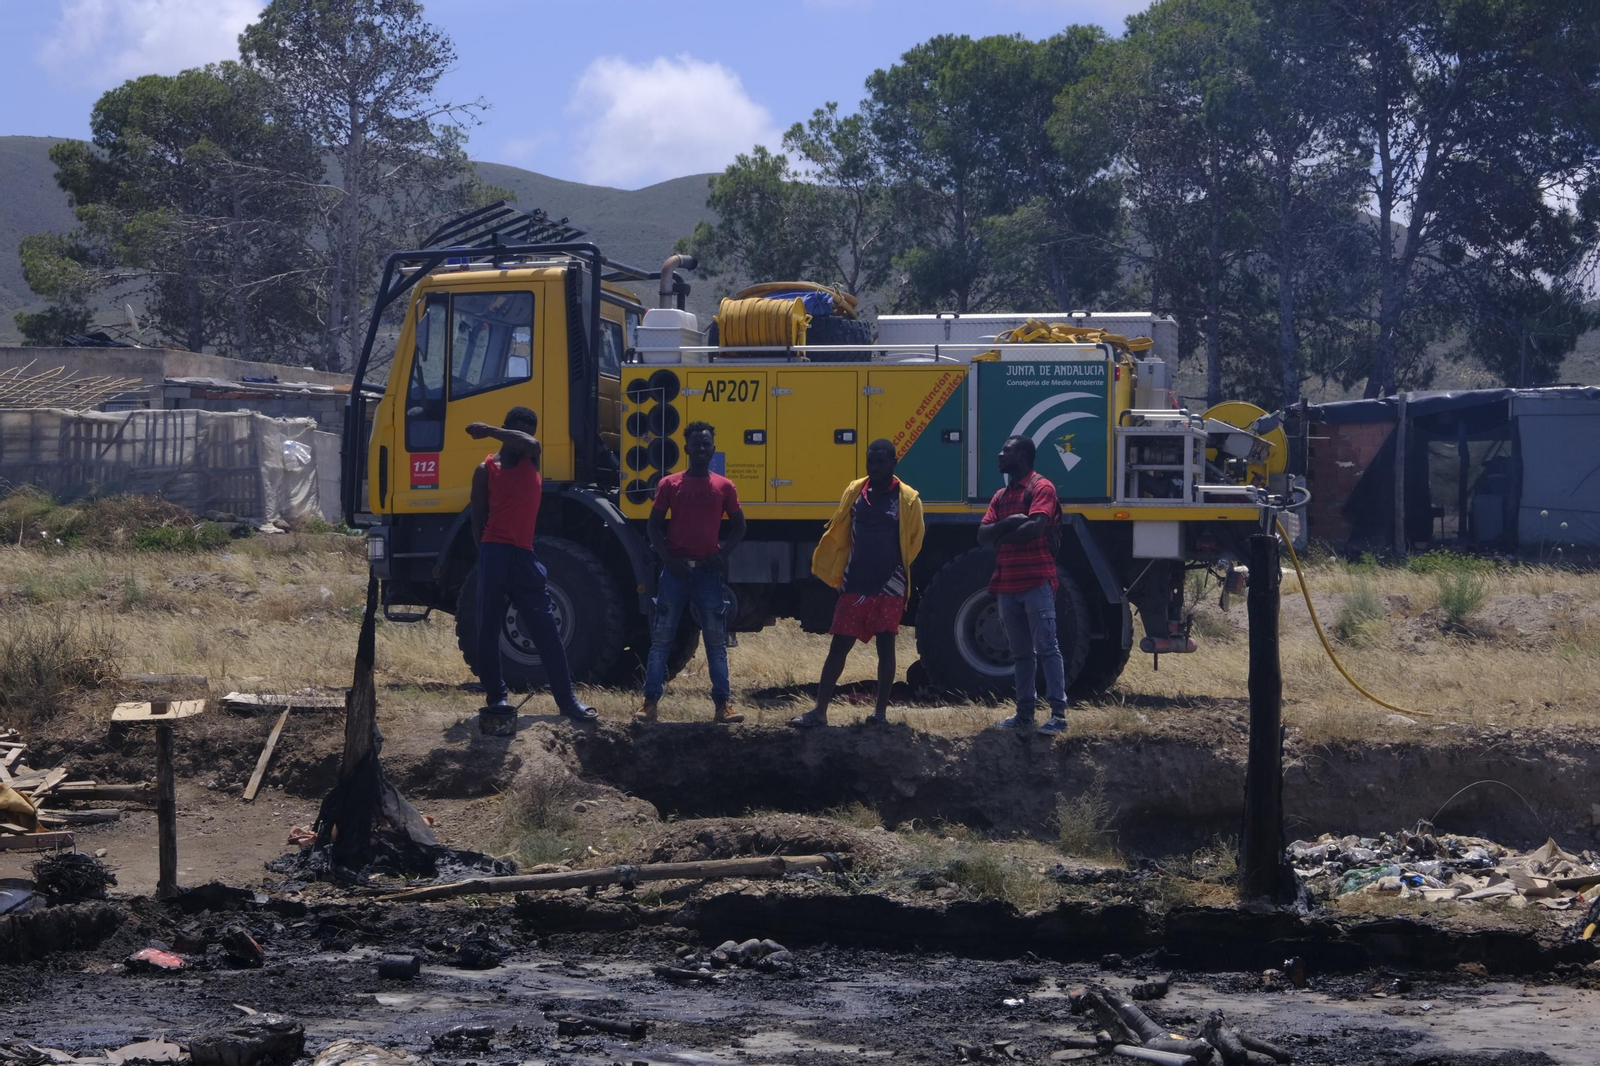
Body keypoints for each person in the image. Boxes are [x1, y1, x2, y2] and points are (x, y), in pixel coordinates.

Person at [468, 407, 597, 725]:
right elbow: (477, 519)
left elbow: (533, 444)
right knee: (488, 630)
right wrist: (485, 555)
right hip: (494, 551)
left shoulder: (531, 457)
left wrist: (489, 429)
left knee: (547, 631)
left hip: (525, 556)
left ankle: (567, 702)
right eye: (519, 430)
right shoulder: (485, 470)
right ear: (507, 428)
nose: (525, 438)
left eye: (529, 430)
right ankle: (497, 697)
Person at [790, 438, 925, 729]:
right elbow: (842, 528)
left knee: (886, 647)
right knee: (839, 646)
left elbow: (914, 541)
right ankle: (820, 712)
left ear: (894, 463)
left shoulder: (908, 498)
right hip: (855, 584)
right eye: (871, 461)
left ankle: (879, 714)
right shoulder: (855, 491)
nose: (875, 466)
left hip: (890, 585)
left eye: (882, 461)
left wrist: (895, 575)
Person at [636, 421, 746, 724]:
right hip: (675, 573)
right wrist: (667, 559)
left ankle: (723, 705)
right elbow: (653, 526)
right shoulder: (670, 484)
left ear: (713, 448)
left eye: (706, 443)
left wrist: (722, 556)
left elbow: (740, 526)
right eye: (695, 444)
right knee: (662, 638)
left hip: (708, 575)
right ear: (686, 448)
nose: (701, 448)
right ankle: (649, 703)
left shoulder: (724, 486)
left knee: (715, 641)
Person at [977, 434, 1069, 734]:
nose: (1000, 455)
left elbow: (1036, 527)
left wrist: (1000, 534)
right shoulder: (1001, 496)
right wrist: (1007, 524)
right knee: (1020, 654)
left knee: (1046, 647)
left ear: (1024, 456)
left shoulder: (1041, 487)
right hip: (1007, 584)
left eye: (1007, 451)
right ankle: (1024, 714)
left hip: (1036, 581)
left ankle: (1058, 714)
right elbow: (982, 533)